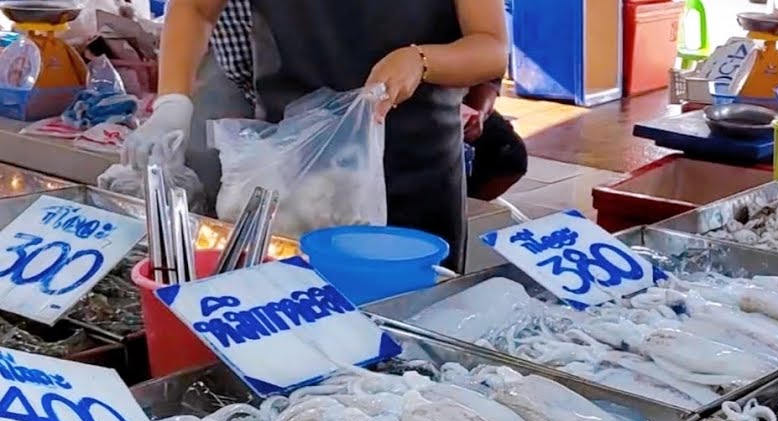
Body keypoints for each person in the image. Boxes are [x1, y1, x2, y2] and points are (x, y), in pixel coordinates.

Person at [125, 0, 508, 264]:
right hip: (293, 166)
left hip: (416, 166)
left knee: (413, 321)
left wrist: (422, 60)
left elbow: (490, 46)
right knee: (294, 319)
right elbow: (194, 9)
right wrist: (173, 104)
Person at [462, 81, 528, 201]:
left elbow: (488, 78)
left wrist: (479, 113)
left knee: (510, 155)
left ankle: (471, 203)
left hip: (456, 102)